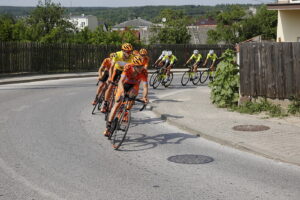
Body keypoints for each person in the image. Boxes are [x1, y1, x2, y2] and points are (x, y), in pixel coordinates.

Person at [103, 55, 149, 137]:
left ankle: (125, 112)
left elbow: (145, 87)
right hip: (124, 84)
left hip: (134, 85)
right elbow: (120, 81)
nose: (140, 68)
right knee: (117, 103)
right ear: (134, 66)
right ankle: (108, 127)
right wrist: (122, 92)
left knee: (132, 98)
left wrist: (144, 97)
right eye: (138, 67)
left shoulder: (144, 72)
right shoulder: (128, 67)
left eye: (142, 66)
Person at [101, 43, 134, 113]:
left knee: (125, 87)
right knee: (110, 86)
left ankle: (121, 104)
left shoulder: (132, 57)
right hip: (117, 70)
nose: (129, 53)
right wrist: (110, 77)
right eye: (127, 51)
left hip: (125, 72)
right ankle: (105, 103)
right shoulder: (117, 54)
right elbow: (112, 67)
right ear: (123, 51)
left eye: (130, 51)